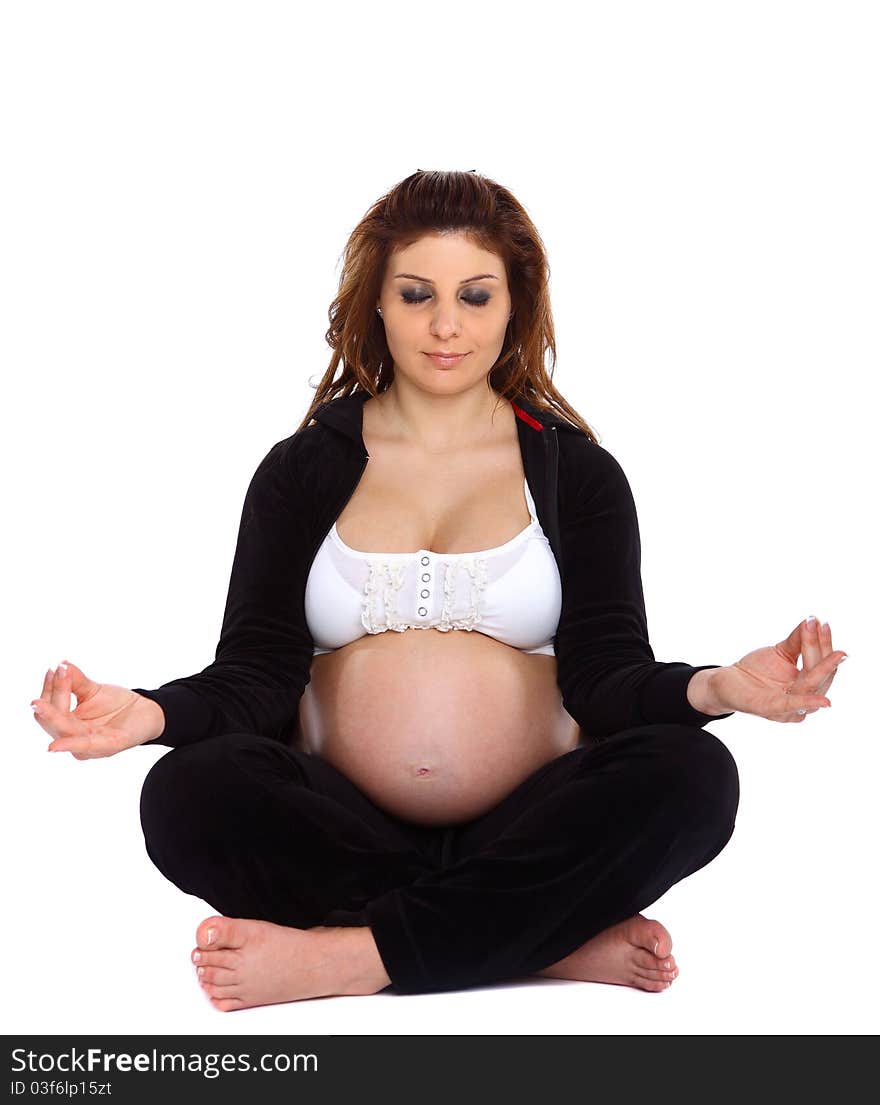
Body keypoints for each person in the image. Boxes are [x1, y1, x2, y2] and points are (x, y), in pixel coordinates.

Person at [30, 170, 847, 1013]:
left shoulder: (578, 474)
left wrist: (719, 688)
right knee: (185, 793)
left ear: (514, 308)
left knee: (694, 773)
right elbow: (256, 675)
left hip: (528, 819)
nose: (446, 325)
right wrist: (149, 714)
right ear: (378, 304)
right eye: (416, 294)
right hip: (344, 825)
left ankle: (352, 957)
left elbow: (607, 676)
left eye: (475, 296)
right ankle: (542, 937)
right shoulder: (301, 469)